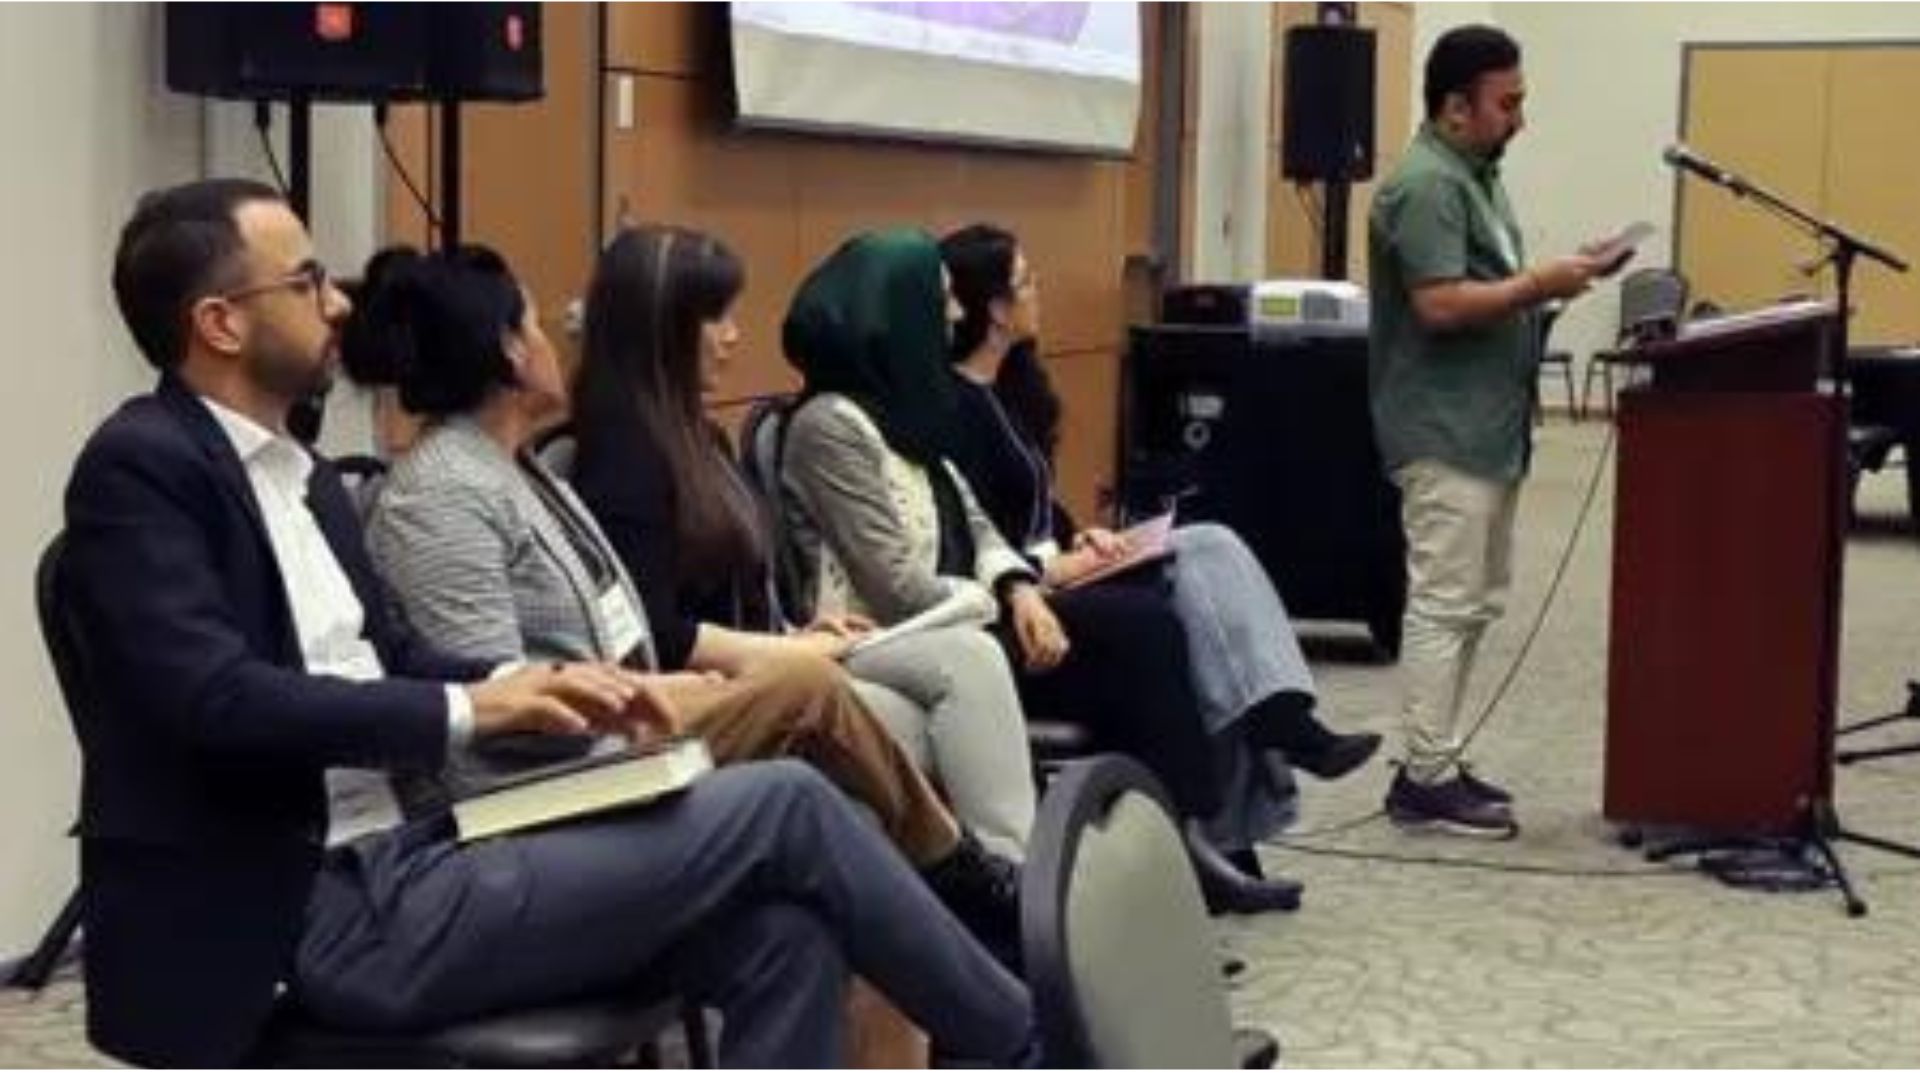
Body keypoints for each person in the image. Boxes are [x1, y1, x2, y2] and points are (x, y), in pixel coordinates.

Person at [64, 178, 1032, 1067]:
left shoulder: (305, 480)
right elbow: (214, 699)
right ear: (221, 323)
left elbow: (388, 654)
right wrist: (471, 711)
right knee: (787, 801)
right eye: (309, 282)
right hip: (306, 909)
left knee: (786, 934)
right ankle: (1036, 1044)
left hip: (409, 854)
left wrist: (519, 686)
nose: (339, 304)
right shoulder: (141, 468)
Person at [350, 244, 1021, 951]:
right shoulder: (442, 493)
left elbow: (611, 639)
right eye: (536, 325)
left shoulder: (514, 468)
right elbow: (491, 711)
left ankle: (972, 936)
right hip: (554, 781)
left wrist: (677, 684)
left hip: (616, 721)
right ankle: (968, 885)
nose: (556, 339)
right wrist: (673, 690)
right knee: (808, 687)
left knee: (837, 820)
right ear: (509, 351)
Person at [778, 228, 1301, 914]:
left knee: (1143, 627)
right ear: (892, 312)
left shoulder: (903, 412)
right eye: (938, 303)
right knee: (1136, 632)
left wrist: (1019, 586)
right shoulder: (830, 427)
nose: (955, 316)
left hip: (967, 614)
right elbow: (896, 587)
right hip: (903, 635)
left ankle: (1167, 854)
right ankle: (1148, 866)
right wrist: (1013, 597)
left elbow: (980, 526)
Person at [569, 224, 1037, 859]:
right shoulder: (624, 456)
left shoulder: (697, 436)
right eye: (716, 318)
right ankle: (998, 883)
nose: (735, 334)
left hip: (773, 658)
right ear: (662, 330)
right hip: (706, 692)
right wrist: (788, 651)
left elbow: (743, 592)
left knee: (951, 691)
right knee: (944, 692)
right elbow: (658, 631)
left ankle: (1003, 879)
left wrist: (793, 636)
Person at [938, 223, 1383, 839]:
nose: (1039, 291)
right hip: (1027, 592)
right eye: (1026, 282)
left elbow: (1037, 503)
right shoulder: (953, 409)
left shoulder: (1015, 392)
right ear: (994, 308)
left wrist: (1082, 536)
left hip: (1058, 564)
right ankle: (1260, 750)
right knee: (1199, 623)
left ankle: (1276, 722)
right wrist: (1049, 565)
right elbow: (975, 532)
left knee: (1210, 544)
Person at [1368, 25, 1600, 837]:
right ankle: (1424, 776)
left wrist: (1556, 280)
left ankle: (1437, 756)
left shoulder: (1477, 176)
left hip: (1487, 425)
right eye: (1509, 104)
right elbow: (1437, 303)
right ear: (1455, 107)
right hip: (1443, 426)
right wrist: (1541, 282)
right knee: (1444, 601)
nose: (1520, 119)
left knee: (1473, 602)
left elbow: (1491, 285)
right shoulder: (1428, 185)